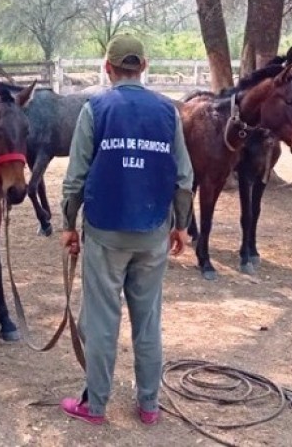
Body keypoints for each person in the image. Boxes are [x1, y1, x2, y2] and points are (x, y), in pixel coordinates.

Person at [58, 34, 194, 425]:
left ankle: (95, 406)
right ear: (144, 67)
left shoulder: (95, 108)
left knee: (102, 322)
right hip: (152, 231)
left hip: (105, 232)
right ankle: (148, 406)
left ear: (108, 68)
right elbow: (184, 178)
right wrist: (181, 226)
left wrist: (68, 224)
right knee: (147, 321)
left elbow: (75, 177)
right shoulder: (168, 112)